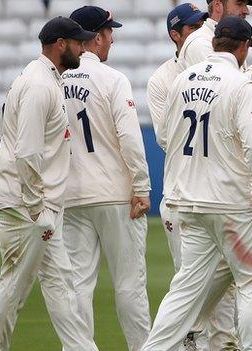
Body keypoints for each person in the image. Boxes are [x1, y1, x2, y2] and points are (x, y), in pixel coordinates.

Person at [153, 1, 252, 349]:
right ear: (243, 48)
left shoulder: (181, 80)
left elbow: (166, 137)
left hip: (186, 203)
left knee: (184, 291)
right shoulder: (241, 86)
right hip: (230, 204)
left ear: (213, 43)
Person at [0, 16, 98, 351]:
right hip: (27, 206)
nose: (82, 47)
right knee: (13, 286)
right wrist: (36, 208)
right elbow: (27, 153)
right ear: (61, 44)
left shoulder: (47, 79)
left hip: (40, 204)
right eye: (78, 42)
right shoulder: (38, 85)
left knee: (61, 283)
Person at [60, 6, 153, 351]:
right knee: (129, 284)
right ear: (96, 37)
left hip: (70, 196)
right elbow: (130, 138)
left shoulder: (53, 79)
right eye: (109, 32)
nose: (112, 38)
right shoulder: (112, 79)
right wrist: (141, 187)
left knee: (77, 285)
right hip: (116, 195)